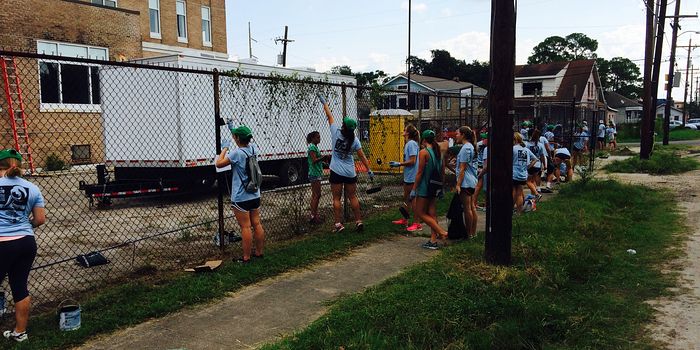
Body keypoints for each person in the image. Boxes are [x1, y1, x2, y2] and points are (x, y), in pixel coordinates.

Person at [0, 149, 46, 343]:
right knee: (20, 287)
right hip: (26, 242)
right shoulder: (33, 188)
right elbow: (40, 220)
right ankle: (20, 332)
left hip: (1, 244)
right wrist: (25, 225)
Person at [318, 95, 373, 233]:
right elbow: (362, 156)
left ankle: (338, 224)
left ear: (343, 126)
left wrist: (324, 102)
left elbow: (329, 116)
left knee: (336, 198)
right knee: (352, 196)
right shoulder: (355, 140)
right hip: (349, 172)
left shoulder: (336, 133)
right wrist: (369, 169)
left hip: (336, 171)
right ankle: (358, 221)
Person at [216, 125, 265, 263]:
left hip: (241, 197)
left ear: (237, 139)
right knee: (256, 223)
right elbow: (241, 139)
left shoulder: (236, 154)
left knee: (245, 226)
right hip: (255, 194)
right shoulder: (254, 149)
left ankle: (246, 257)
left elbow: (219, 164)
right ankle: (259, 253)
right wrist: (233, 130)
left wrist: (224, 148)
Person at [412, 129, 448, 249]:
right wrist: (442, 188)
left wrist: (414, 189)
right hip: (435, 186)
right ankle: (433, 240)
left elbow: (420, 172)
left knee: (420, 212)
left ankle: (442, 232)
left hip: (425, 187)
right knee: (432, 212)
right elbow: (443, 172)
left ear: (424, 140)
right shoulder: (439, 152)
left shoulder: (424, 152)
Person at [390, 124, 422, 232]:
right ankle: (405, 219)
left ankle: (417, 223)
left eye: (404, 130)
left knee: (413, 200)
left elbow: (412, 161)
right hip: (408, 176)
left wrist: (399, 164)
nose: (403, 131)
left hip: (412, 176)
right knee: (407, 199)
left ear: (408, 133)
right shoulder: (409, 144)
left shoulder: (411, 144)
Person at [455, 126, 478, 239]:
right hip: (472, 181)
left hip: (465, 182)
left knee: (467, 208)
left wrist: (458, 184)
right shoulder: (471, 147)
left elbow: (462, 168)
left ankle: (468, 233)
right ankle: (473, 232)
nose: (456, 136)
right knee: (472, 207)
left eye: (457, 134)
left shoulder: (465, 148)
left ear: (463, 135)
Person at [513, 132, 538, 214]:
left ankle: (510, 209)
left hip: (514, 174)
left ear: (515, 139)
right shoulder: (526, 150)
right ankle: (519, 212)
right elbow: (535, 159)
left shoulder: (513, 149)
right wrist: (528, 167)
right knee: (519, 194)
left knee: (513, 192)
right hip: (523, 175)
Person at [306, 131, 324, 224]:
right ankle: (313, 215)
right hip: (314, 173)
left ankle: (313, 214)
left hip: (316, 172)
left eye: (319, 137)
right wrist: (323, 158)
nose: (319, 139)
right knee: (317, 195)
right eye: (317, 137)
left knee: (315, 195)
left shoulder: (314, 147)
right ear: (312, 138)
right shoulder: (312, 147)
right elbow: (314, 160)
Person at [525, 129, 545, 201]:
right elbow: (542, 156)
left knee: (528, 181)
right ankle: (533, 198)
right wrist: (544, 165)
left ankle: (537, 194)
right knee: (532, 181)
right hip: (538, 164)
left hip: (531, 164)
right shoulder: (540, 145)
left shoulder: (527, 144)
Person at [474, 131, 488, 211]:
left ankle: (474, 203)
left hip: (479, 166)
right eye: (483, 138)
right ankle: (475, 204)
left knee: (478, 186)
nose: (484, 140)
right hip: (481, 167)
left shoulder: (479, 144)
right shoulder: (483, 146)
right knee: (480, 187)